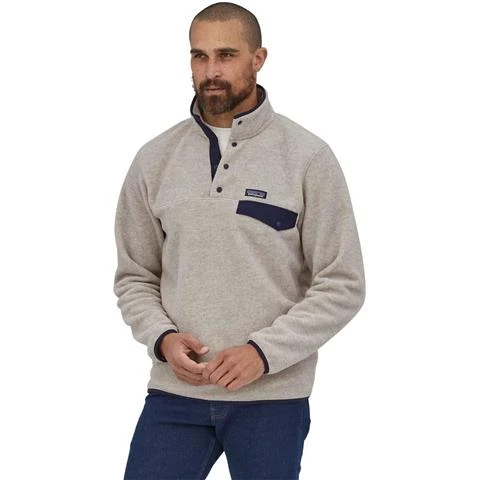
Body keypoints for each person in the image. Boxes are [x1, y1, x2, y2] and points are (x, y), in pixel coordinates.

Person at [114, 2, 365, 479]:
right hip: (175, 395)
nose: (211, 71)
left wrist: (262, 354)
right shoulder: (154, 159)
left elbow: (342, 284)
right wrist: (162, 339)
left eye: (226, 55)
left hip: (272, 398)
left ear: (258, 58)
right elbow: (135, 276)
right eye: (199, 56)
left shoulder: (308, 158)